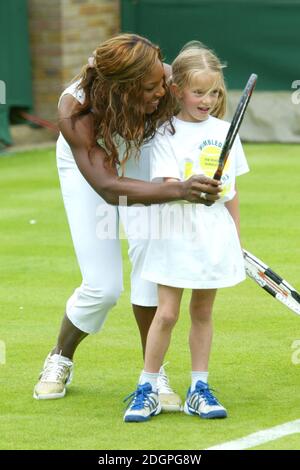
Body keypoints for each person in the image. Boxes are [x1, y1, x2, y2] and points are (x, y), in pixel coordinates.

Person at [33, 34, 221, 406]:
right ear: (123, 89)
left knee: (151, 269)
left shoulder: (169, 83)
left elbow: (205, 122)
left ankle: (153, 375)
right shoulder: (76, 110)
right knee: (102, 288)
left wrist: (203, 183)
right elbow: (107, 187)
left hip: (144, 150)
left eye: (162, 81)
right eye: (150, 87)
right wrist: (181, 191)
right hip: (93, 169)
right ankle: (60, 357)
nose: (161, 90)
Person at [124, 41, 249, 422]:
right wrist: (190, 188)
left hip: (213, 238)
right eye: (199, 92)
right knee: (166, 314)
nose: (207, 99)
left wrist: (236, 241)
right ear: (177, 89)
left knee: (203, 311)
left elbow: (231, 194)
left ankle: (199, 387)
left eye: (214, 92)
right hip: (174, 234)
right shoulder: (164, 133)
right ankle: (147, 387)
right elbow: (165, 184)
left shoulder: (226, 131)